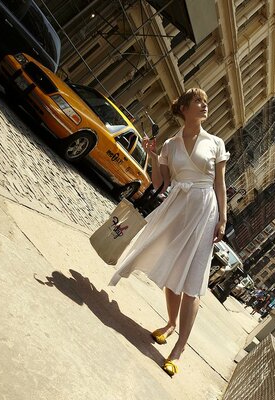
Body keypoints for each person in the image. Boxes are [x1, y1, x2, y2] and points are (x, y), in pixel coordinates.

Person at [108, 88, 229, 377]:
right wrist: (151, 155)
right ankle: (170, 323)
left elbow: (220, 184)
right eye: (199, 101)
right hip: (177, 209)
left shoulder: (215, 143)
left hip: (203, 212)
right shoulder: (170, 146)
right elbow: (160, 183)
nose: (204, 105)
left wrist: (223, 219)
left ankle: (179, 349)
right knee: (173, 269)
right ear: (184, 108)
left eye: (205, 101)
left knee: (193, 278)